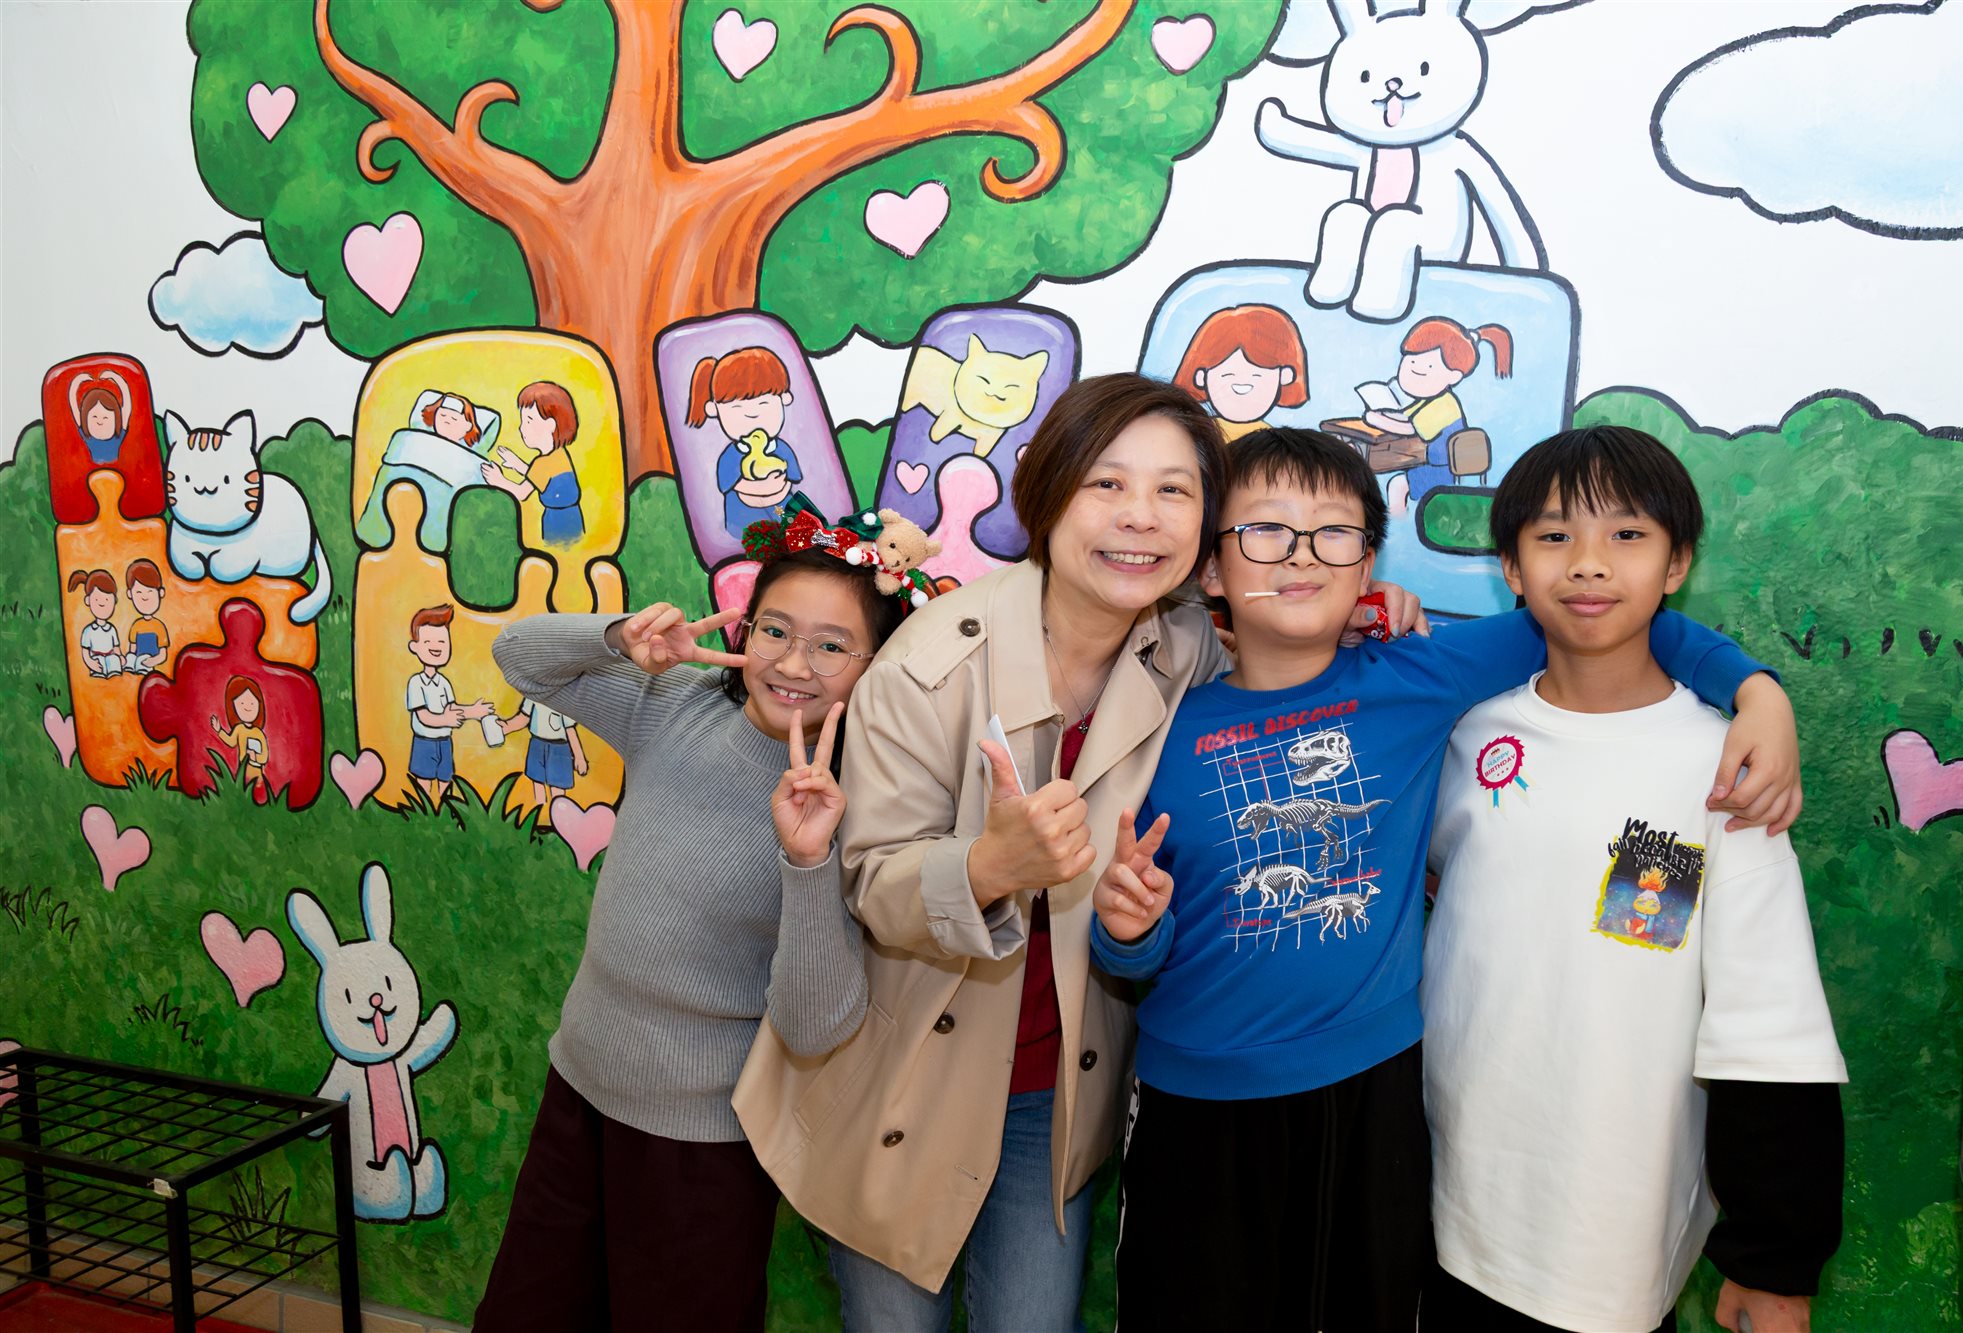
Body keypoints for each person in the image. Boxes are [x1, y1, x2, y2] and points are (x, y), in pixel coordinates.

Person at [732, 376, 1418, 1330]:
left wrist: (1367, 610)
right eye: (1107, 483)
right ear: (1048, 497)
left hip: (1055, 1097)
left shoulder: (1188, 647)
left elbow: (1279, 654)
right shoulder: (927, 666)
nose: (1140, 516)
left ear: (1205, 531)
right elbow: (870, 885)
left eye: (1174, 490)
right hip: (899, 1084)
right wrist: (989, 866)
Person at [1088, 426, 1805, 1331]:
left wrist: (1757, 688)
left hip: (1375, 1094)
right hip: (1198, 1103)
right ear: (1211, 569)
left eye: (1332, 534)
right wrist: (1127, 929)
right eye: (1265, 531)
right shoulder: (1160, 727)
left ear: (1367, 564)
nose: (1301, 554)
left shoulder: (1423, 679)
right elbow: (1133, 936)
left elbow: (1604, 608)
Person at [1420, 425, 1846, 1333]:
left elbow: (1770, 1025)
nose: (1588, 562)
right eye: (1554, 535)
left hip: (1611, 1231)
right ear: (1511, 567)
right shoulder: (1466, 735)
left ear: (1677, 562)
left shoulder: (1727, 767)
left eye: (1627, 534)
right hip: (1453, 1201)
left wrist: (1774, 1263)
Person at [475, 510, 915, 1330]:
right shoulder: (675, 704)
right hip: (579, 1089)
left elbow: (816, 1026)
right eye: (775, 629)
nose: (793, 663)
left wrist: (808, 860)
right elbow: (517, 655)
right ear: (743, 629)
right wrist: (621, 637)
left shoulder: (863, 800)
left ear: (877, 665)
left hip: (704, 1144)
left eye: (831, 645)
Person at [1362, 315, 1511, 509]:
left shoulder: (1444, 405)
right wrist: (1385, 413)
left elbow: (1409, 428)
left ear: (1454, 376)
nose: (1414, 370)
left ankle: (1398, 522)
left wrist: (1375, 419)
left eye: (1427, 368)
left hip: (1440, 469)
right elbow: (1406, 418)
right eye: (1411, 362)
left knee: (1397, 486)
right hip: (1426, 462)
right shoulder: (1427, 401)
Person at [688, 347, 804, 536]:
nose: (752, 413)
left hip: (784, 516)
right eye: (737, 407)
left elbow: (791, 479)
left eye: (764, 403)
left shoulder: (781, 449)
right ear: (714, 410)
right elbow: (731, 485)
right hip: (744, 523)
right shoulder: (731, 456)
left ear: (784, 399)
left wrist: (779, 491)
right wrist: (763, 490)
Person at [1172, 304, 1311, 443]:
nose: (1242, 383)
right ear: (1201, 377)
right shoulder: (1200, 435)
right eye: (1227, 375)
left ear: (1285, 376)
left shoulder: (1271, 441)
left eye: (1257, 375)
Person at [405, 605, 492, 805]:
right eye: (428, 642)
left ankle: (445, 812)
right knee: (423, 784)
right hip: (424, 742)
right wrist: (445, 719)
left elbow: (451, 709)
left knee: (446, 780)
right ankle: (425, 816)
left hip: (445, 742)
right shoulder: (416, 683)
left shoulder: (443, 683)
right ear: (415, 647)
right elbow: (423, 716)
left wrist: (472, 712)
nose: (437, 646)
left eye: (443, 641)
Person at [482, 382, 586, 546]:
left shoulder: (543, 463)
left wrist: (498, 480)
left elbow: (521, 492)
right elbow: (543, 479)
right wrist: (517, 464)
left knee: (559, 551)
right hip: (572, 518)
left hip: (558, 525)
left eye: (529, 421)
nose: (522, 428)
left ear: (551, 425)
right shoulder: (559, 454)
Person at [495, 696, 589, 807]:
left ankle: (559, 813)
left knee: (557, 787)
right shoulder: (533, 695)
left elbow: (570, 729)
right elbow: (524, 717)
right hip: (536, 744)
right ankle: (539, 809)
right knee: (537, 782)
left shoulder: (564, 699)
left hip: (559, 748)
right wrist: (507, 727)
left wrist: (579, 757)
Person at [211, 675, 271, 801]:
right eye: (242, 703)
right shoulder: (239, 729)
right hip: (243, 771)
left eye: (252, 703)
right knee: (244, 795)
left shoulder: (259, 733)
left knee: (260, 795)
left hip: (258, 772)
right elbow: (231, 742)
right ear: (233, 707)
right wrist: (219, 730)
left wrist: (255, 757)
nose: (247, 707)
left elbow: (265, 756)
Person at [68, 568, 123, 677]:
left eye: (107, 600)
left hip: (111, 659)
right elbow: (85, 652)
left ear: (114, 601)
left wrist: (120, 657)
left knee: (114, 661)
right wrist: (90, 663)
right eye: (97, 600)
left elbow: (116, 648)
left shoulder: (112, 629)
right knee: (99, 669)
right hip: (97, 660)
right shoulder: (88, 631)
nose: (102, 604)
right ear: (88, 600)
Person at [70, 370, 132, 465]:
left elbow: (127, 402)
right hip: (93, 470)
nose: (100, 421)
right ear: (85, 419)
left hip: (116, 470)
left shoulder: (118, 435)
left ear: (116, 419)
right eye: (94, 416)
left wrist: (115, 377)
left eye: (106, 417)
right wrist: (76, 382)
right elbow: (73, 405)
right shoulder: (88, 436)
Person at [123, 559, 170, 674]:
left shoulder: (159, 627)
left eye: (150, 592)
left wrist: (151, 661)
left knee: (141, 661)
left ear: (160, 593)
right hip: (136, 663)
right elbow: (132, 649)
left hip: (148, 664)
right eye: (138, 593)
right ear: (130, 594)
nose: (144, 597)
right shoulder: (136, 625)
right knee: (132, 659)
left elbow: (163, 654)